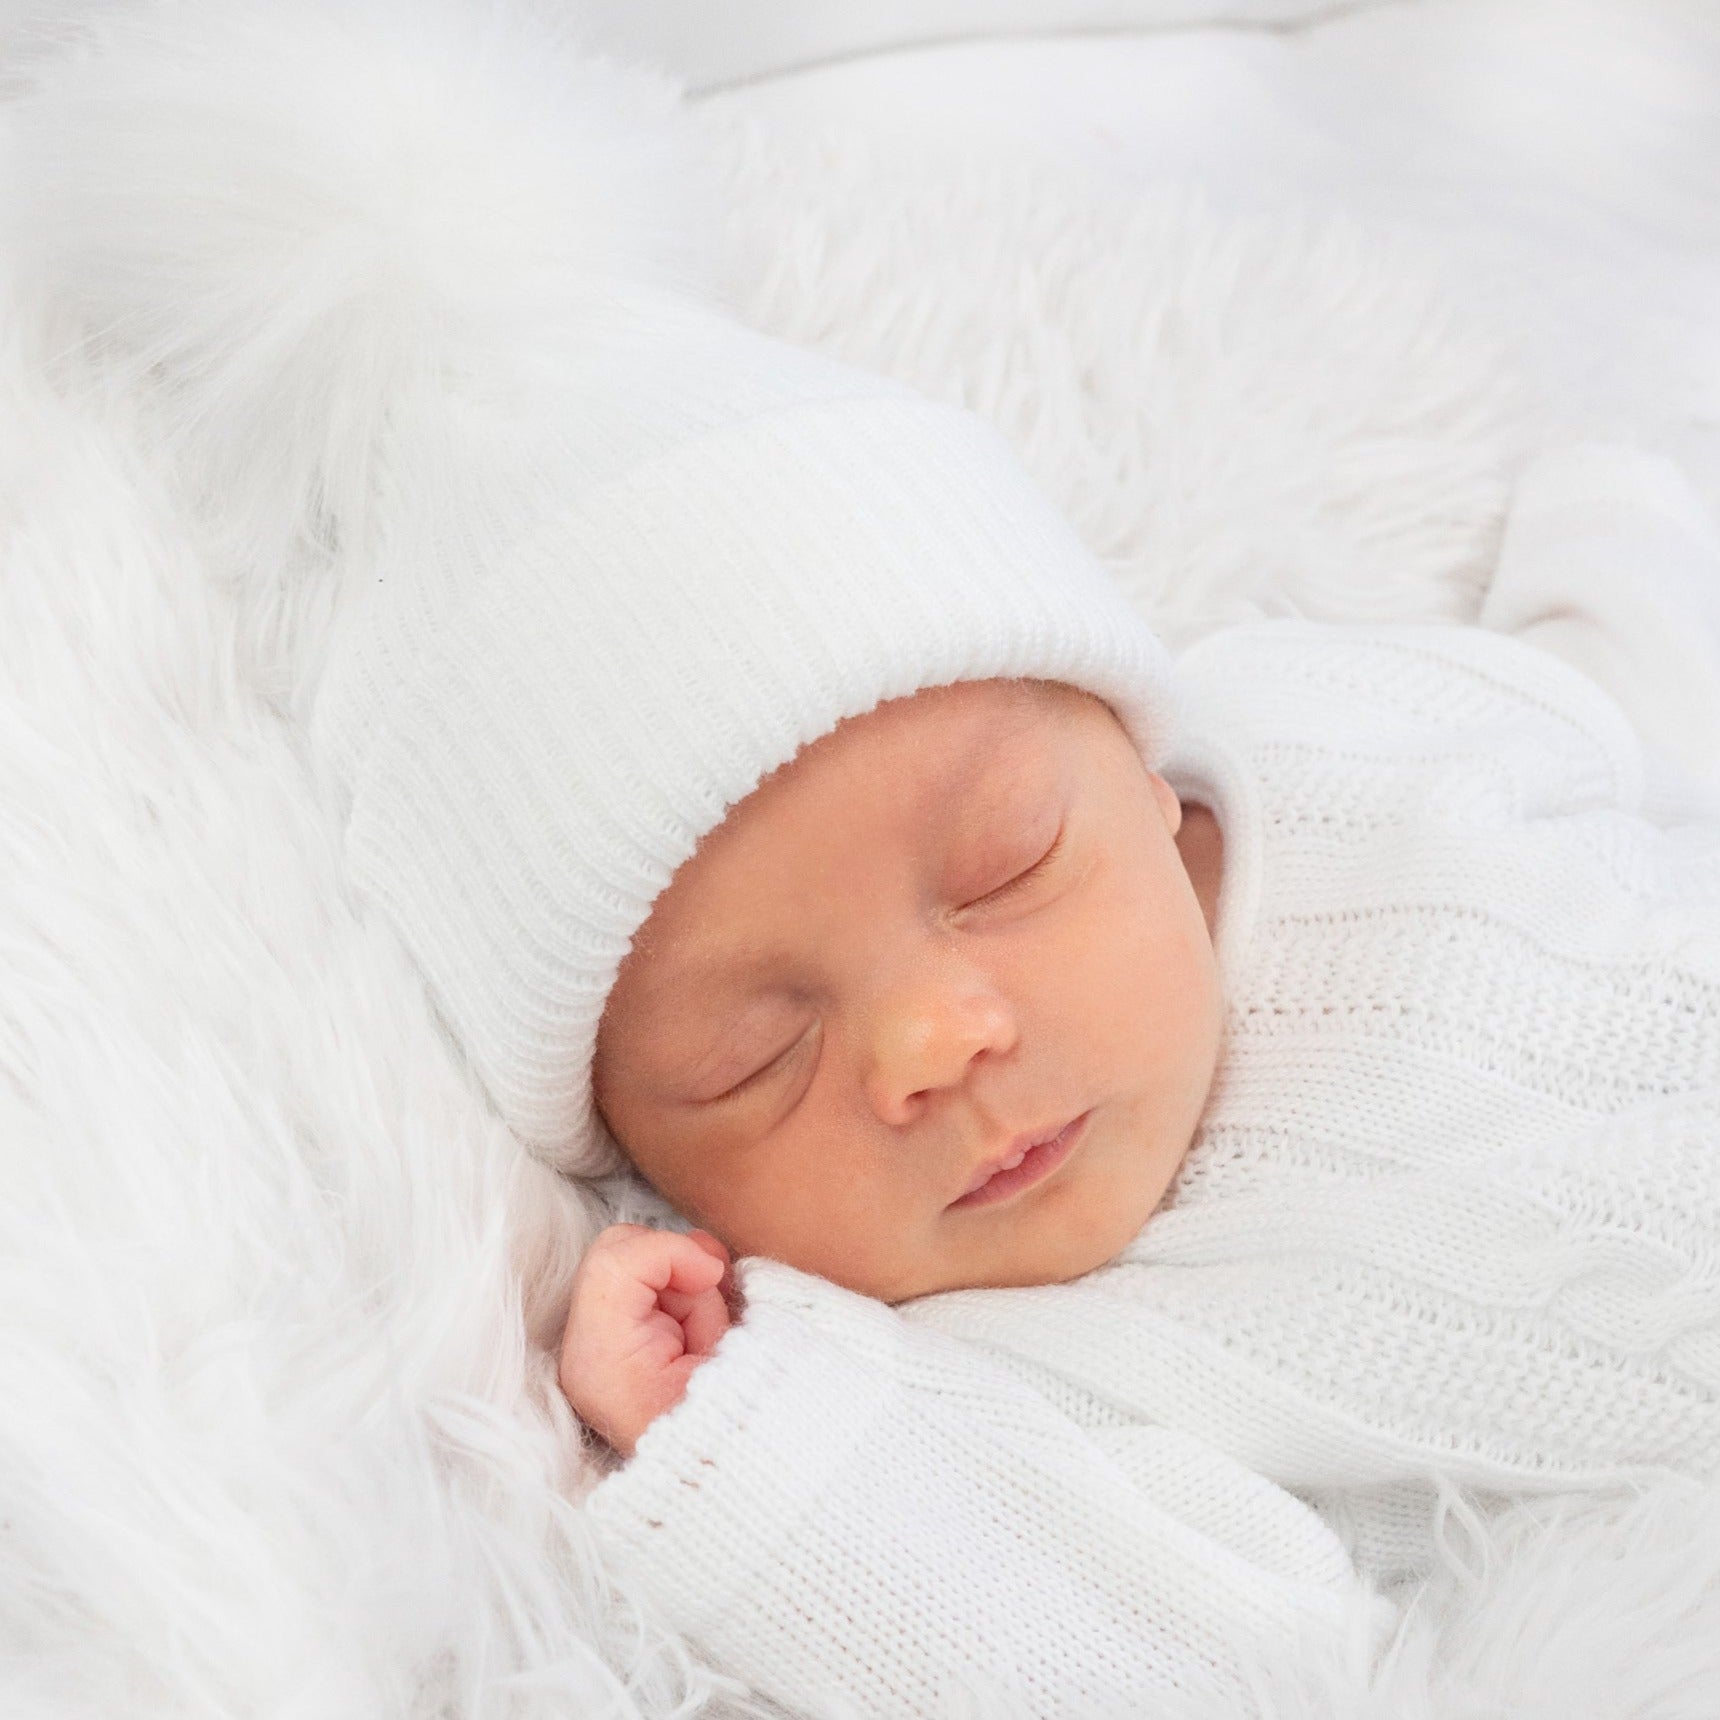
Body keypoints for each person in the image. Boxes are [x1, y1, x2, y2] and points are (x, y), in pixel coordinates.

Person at [19, 5, 1718, 1713]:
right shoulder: (980, 1370)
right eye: (754, 1061)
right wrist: (769, 1463)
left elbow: (1600, 720)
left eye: (1004, 863)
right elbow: (1217, 1668)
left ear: (1149, 771)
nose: (928, 1044)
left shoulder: (1346, 738)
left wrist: (1629, 532)